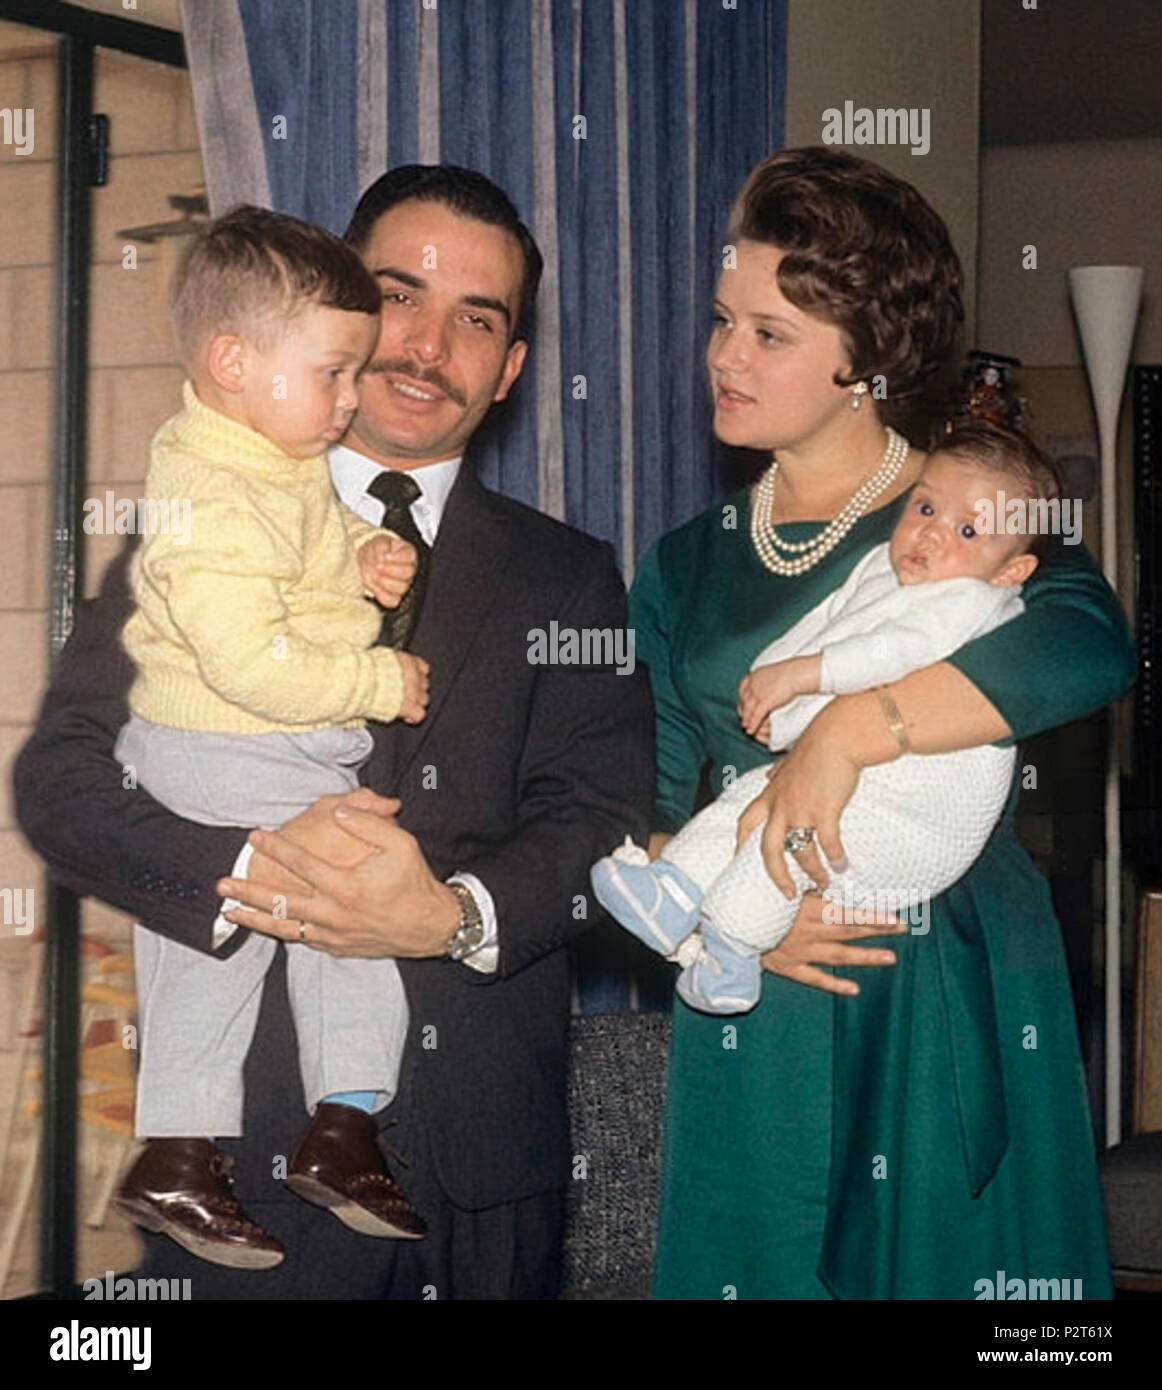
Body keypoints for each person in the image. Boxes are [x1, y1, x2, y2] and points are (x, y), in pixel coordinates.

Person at [14, 165, 655, 1300]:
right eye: (397, 295)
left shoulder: (572, 573)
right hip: (239, 1175)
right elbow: (60, 783)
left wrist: (449, 916)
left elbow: (604, 825)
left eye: (476, 318)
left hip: (484, 1186)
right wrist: (251, 871)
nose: (424, 345)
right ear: (334, 315)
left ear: (510, 369)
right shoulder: (200, 515)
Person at [631, 147, 1133, 1299]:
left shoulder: (966, 512)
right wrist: (714, 920)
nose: (722, 354)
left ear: (864, 361)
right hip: (756, 975)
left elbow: (1087, 644)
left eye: (768, 333)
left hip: (933, 977)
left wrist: (850, 726)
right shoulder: (683, 560)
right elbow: (649, 785)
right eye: (722, 320)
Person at [111, 206, 433, 1268]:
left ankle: (330, 1127)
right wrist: (374, 675)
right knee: (224, 951)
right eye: (335, 375)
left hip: (276, 753)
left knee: (346, 929)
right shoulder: (204, 487)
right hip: (222, 748)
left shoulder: (264, 450)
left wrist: (359, 555)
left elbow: (302, 532)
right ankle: (201, 1150)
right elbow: (247, 656)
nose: (353, 403)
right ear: (233, 360)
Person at [594, 424, 1055, 1016]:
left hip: (921, 803)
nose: (933, 533)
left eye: (968, 530)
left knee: (789, 836)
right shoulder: (880, 567)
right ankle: (674, 889)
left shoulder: (972, 600)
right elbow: (827, 623)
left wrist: (802, 677)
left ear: (1009, 571)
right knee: (750, 803)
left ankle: (734, 948)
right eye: (925, 507)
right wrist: (773, 681)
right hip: (846, 775)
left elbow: (893, 651)